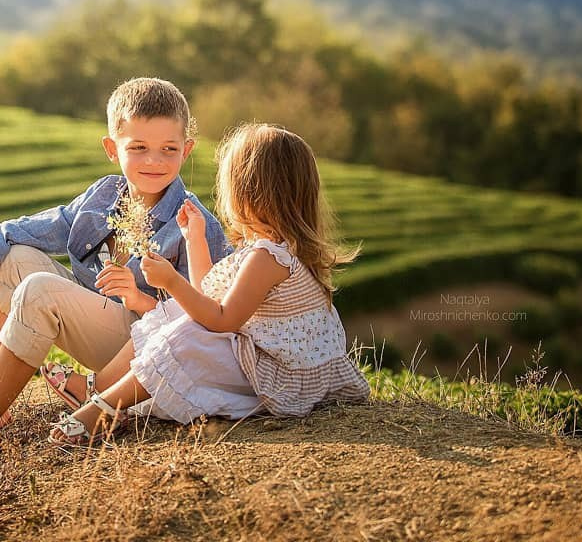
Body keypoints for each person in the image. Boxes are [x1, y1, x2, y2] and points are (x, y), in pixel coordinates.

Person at [0, 77, 232, 489]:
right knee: (17, 260)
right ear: (111, 148)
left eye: (168, 149)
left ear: (186, 150)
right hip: (97, 331)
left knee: (39, 289)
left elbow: (203, 322)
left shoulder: (194, 223)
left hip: (141, 351)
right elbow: (12, 232)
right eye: (138, 147)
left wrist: (139, 299)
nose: (154, 161)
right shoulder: (102, 197)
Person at [47, 122, 370, 446]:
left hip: (281, 377)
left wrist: (172, 281)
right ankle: (99, 388)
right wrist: (195, 239)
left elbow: (221, 321)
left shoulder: (267, 257)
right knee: (177, 314)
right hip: (269, 360)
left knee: (186, 334)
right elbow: (207, 297)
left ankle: (103, 409)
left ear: (247, 191)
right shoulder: (272, 249)